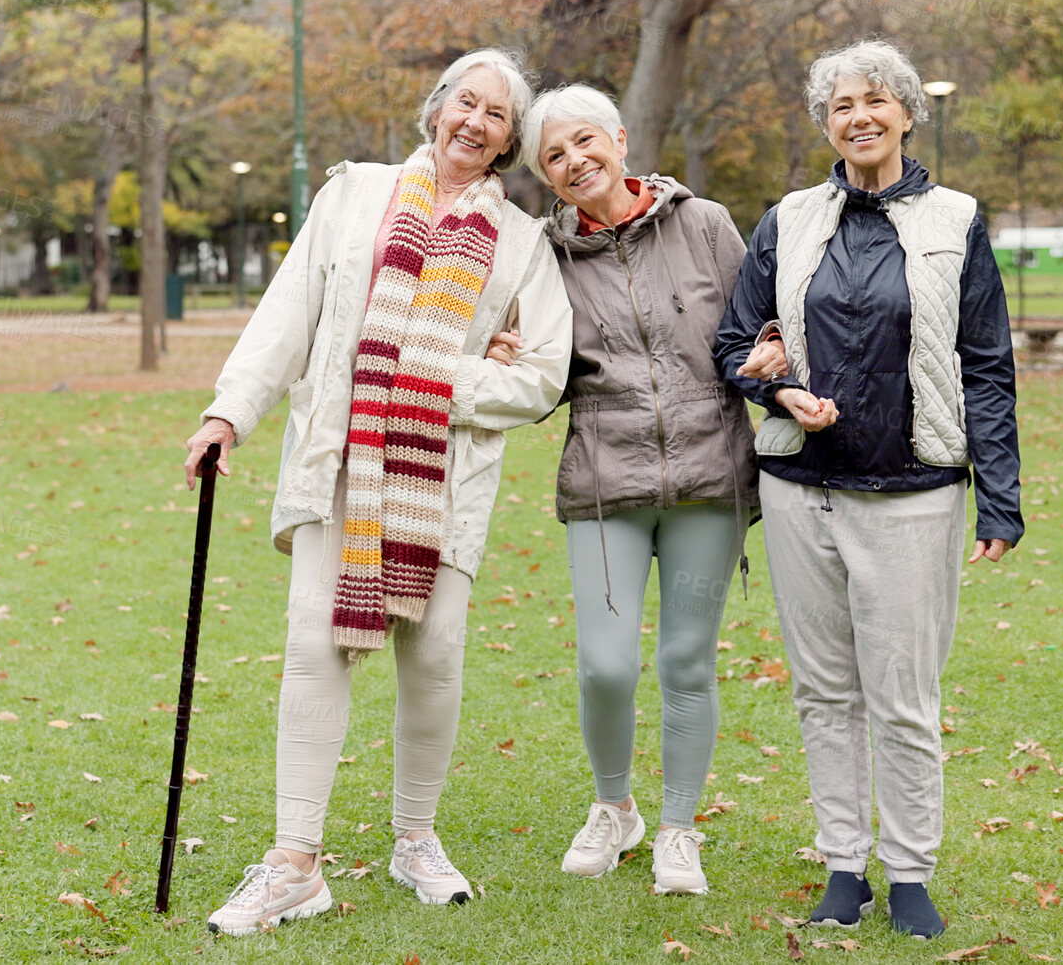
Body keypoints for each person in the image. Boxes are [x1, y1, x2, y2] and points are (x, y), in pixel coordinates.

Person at [182, 47, 572, 936]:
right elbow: (288, 314)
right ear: (438, 108)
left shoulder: (520, 244)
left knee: (432, 653)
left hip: (444, 476)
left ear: (510, 139)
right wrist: (227, 413)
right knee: (314, 647)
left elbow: (545, 374)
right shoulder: (351, 194)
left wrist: (447, 381)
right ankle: (293, 860)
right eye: (464, 103)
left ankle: (414, 837)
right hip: (340, 459)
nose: (474, 123)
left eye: (496, 115)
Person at [714, 39, 1022, 939]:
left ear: (905, 112)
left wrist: (997, 493)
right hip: (799, 488)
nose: (859, 116)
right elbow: (732, 343)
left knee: (902, 691)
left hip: (913, 490)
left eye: (874, 100)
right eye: (840, 105)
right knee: (823, 691)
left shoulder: (956, 220)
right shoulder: (788, 218)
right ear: (825, 123)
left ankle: (911, 871)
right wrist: (774, 386)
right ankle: (843, 864)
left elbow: (987, 367)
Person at [521, 84, 758, 896]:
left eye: (583, 141)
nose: (573, 161)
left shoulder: (705, 224)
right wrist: (507, 357)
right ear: (546, 178)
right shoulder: (544, 256)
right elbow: (541, 375)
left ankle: (678, 828)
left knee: (688, 658)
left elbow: (749, 327)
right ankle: (613, 807)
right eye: (553, 156)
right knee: (605, 667)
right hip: (603, 481)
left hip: (708, 476)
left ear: (619, 140)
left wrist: (768, 358)